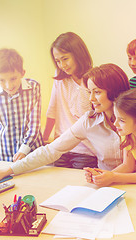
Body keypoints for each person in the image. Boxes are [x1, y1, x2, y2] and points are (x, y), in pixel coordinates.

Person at [0, 64, 130, 182]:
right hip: (103, 184)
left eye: (97, 92)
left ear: (114, 91)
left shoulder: (135, 119)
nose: (91, 98)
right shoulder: (89, 120)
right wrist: (9, 170)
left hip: (132, 183)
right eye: (89, 92)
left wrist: (110, 177)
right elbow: (50, 151)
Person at [84, 88, 136, 186]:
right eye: (116, 118)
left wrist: (113, 177)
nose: (115, 123)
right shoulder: (127, 133)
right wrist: (103, 176)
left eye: (122, 120)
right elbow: (128, 166)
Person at [0, 48, 43, 164]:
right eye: (2, 80)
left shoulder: (33, 87)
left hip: (33, 153)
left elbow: (34, 124)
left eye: (13, 78)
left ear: (22, 73)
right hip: (6, 157)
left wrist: (24, 149)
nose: (9, 85)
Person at [43, 32, 97, 169]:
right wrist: (44, 139)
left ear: (78, 54)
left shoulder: (93, 80)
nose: (62, 65)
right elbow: (52, 109)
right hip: (61, 146)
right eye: (58, 61)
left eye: (65, 59)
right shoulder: (60, 78)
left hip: (86, 150)